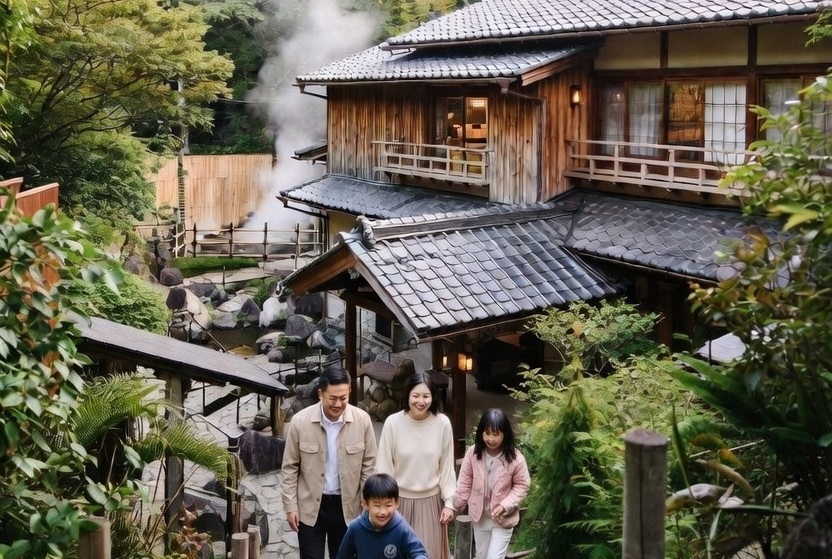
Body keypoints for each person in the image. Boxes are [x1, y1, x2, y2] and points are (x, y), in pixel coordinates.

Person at [281, 366, 377, 559]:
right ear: (320, 394)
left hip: (347, 506)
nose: (338, 404)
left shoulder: (363, 420)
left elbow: (369, 466)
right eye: (333, 398)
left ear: (350, 392)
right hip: (310, 506)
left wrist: (367, 501)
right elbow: (290, 467)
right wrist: (290, 506)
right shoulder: (300, 422)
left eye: (343, 398)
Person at [376, 372, 456, 559]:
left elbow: (446, 469)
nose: (421, 401)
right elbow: (384, 468)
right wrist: (383, 505)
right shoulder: (392, 423)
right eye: (416, 395)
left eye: (426, 396)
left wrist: (450, 503)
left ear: (433, 397)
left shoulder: (442, 423)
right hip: (397, 505)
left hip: (430, 505)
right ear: (407, 396)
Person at [454, 408, 530, 559]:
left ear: (504, 434)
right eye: (487, 433)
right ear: (481, 432)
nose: (491, 439)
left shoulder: (515, 458)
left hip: (503, 519)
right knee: (481, 555)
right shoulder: (473, 453)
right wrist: (455, 505)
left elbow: (522, 485)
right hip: (480, 517)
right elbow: (464, 481)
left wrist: (505, 505)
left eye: (496, 434)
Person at [336, 473, 428, 559]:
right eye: (377, 505)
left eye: (388, 505)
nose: (383, 511)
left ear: (397, 503)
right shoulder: (356, 528)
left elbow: (419, 552)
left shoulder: (401, 528)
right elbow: (343, 555)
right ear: (365, 503)